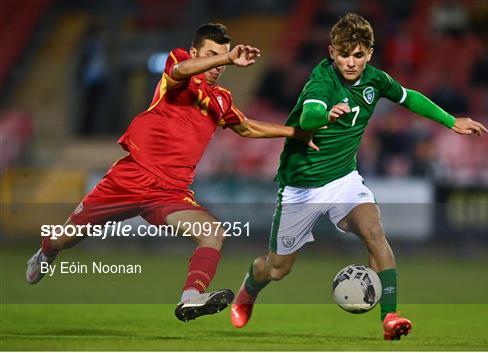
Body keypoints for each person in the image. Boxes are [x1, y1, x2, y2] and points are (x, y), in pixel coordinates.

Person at [25, 23, 317, 323]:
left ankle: (190, 298)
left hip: (170, 192)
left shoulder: (220, 99)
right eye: (211, 55)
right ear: (195, 53)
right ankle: (46, 252)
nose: (218, 64)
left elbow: (246, 126)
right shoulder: (179, 66)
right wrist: (227, 58)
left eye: (223, 56)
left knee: (213, 232)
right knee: (67, 238)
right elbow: (181, 72)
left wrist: (295, 132)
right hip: (131, 177)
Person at [230, 13, 487, 340]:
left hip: (343, 180)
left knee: (374, 231)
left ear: (369, 54)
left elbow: (409, 97)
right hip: (301, 187)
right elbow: (308, 115)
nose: (350, 62)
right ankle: (250, 287)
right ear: (332, 52)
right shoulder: (322, 80)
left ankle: (390, 316)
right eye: (344, 54)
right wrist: (325, 113)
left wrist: (451, 121)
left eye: (358, 55)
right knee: (277, 268)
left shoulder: (375, 80)